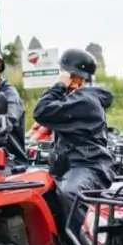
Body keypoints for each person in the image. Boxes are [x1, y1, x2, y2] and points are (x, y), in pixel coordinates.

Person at [32, 48, 115, 233]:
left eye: (63, 73)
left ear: (75, 76)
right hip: (70, 166)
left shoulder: (86, 100)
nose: (60, 76)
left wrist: (59, 85)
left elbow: (41, 111)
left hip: (90, 166)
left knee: (70, 192)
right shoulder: (74, 99)